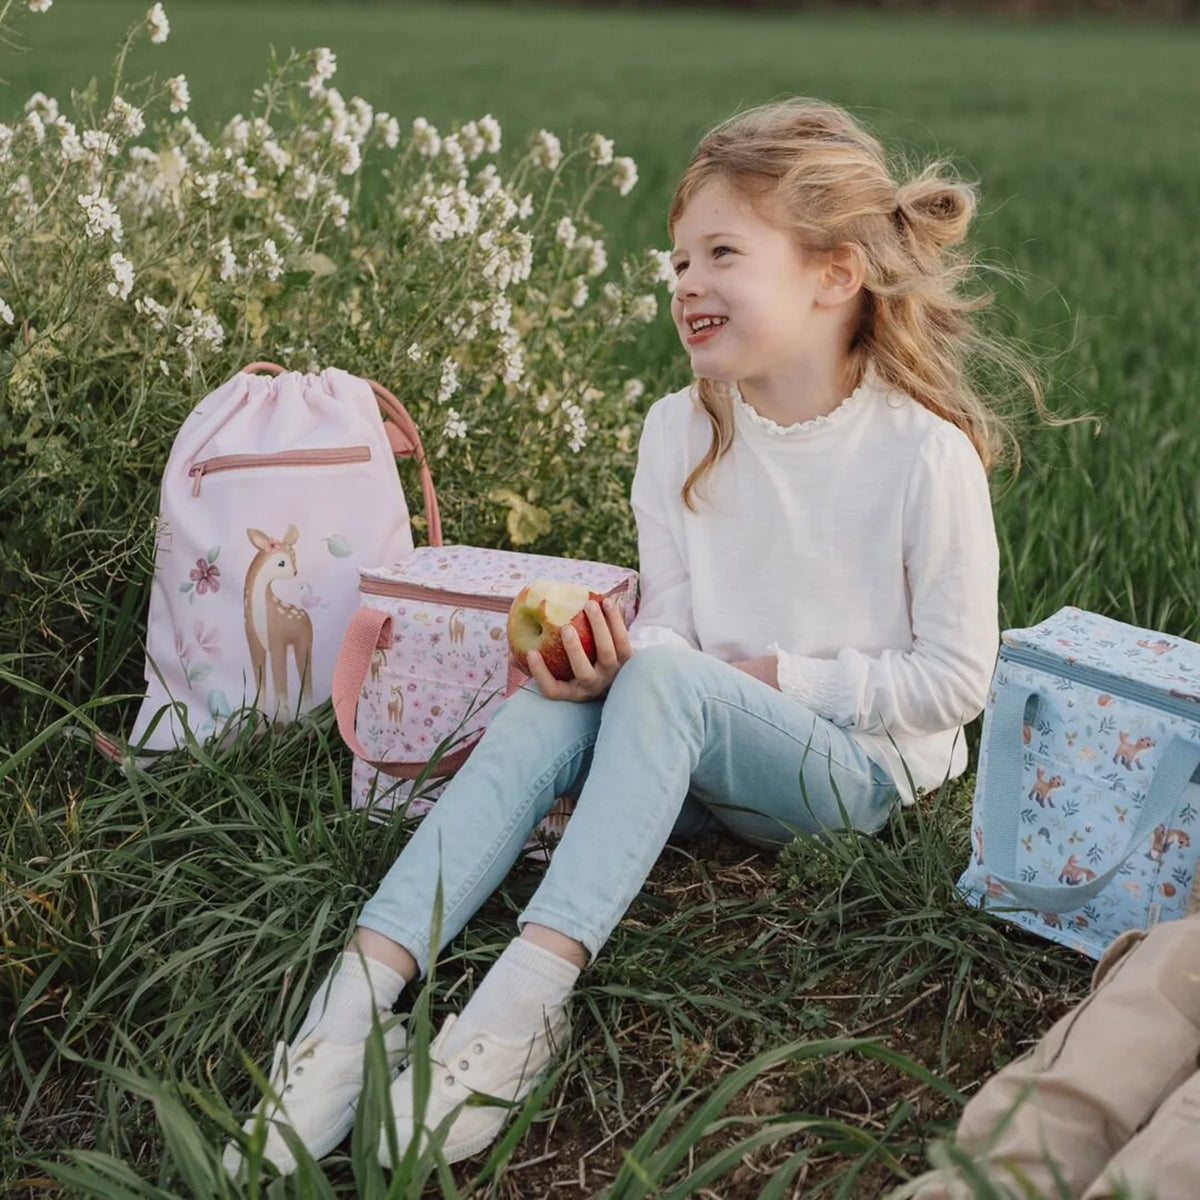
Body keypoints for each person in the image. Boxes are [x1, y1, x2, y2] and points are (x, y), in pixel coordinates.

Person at [223, 96, 1044, 1177]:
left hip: (849, 776)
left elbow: (957, 680)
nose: (686, 282)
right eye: (678, 261)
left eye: (721, 254)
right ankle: (349, 1011)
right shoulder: (679, 429)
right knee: (555, 699)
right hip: (694, 731)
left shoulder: (917, 455)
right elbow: (673, 628)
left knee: (664, 681)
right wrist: (613, 661)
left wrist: (760, 677)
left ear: (834, 275)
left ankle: (524, 1004)